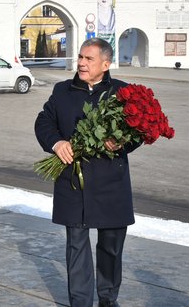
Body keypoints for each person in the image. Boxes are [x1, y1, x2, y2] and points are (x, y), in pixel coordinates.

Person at [34, 38, 140, 307]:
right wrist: (57, 143)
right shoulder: (62, 91)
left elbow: (138, 131)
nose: (81, 63)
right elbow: (44, 122)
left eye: (89, 59)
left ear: (105, 64)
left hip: (111, 182)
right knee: (77, 246)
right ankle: (80, 302)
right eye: (80, 57)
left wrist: (122, 142)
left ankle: (108, 299)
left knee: (111, 247)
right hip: (74, 180)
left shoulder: (123, 92)